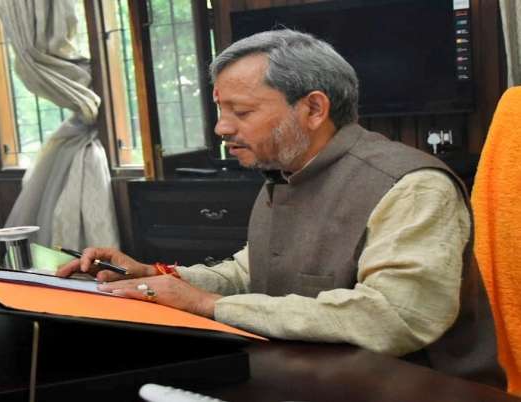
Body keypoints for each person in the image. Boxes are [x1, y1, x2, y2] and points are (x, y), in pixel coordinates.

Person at [57, 29, 505, 387]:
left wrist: (210, 305)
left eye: (241, 111)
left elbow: (393, 317)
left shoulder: (411, 186)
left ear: (313, 109)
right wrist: (152, 276)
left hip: (418, 389)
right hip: (316, 377)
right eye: (221, 110)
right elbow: (251, 271)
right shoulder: (287, 173)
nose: (221, 128)